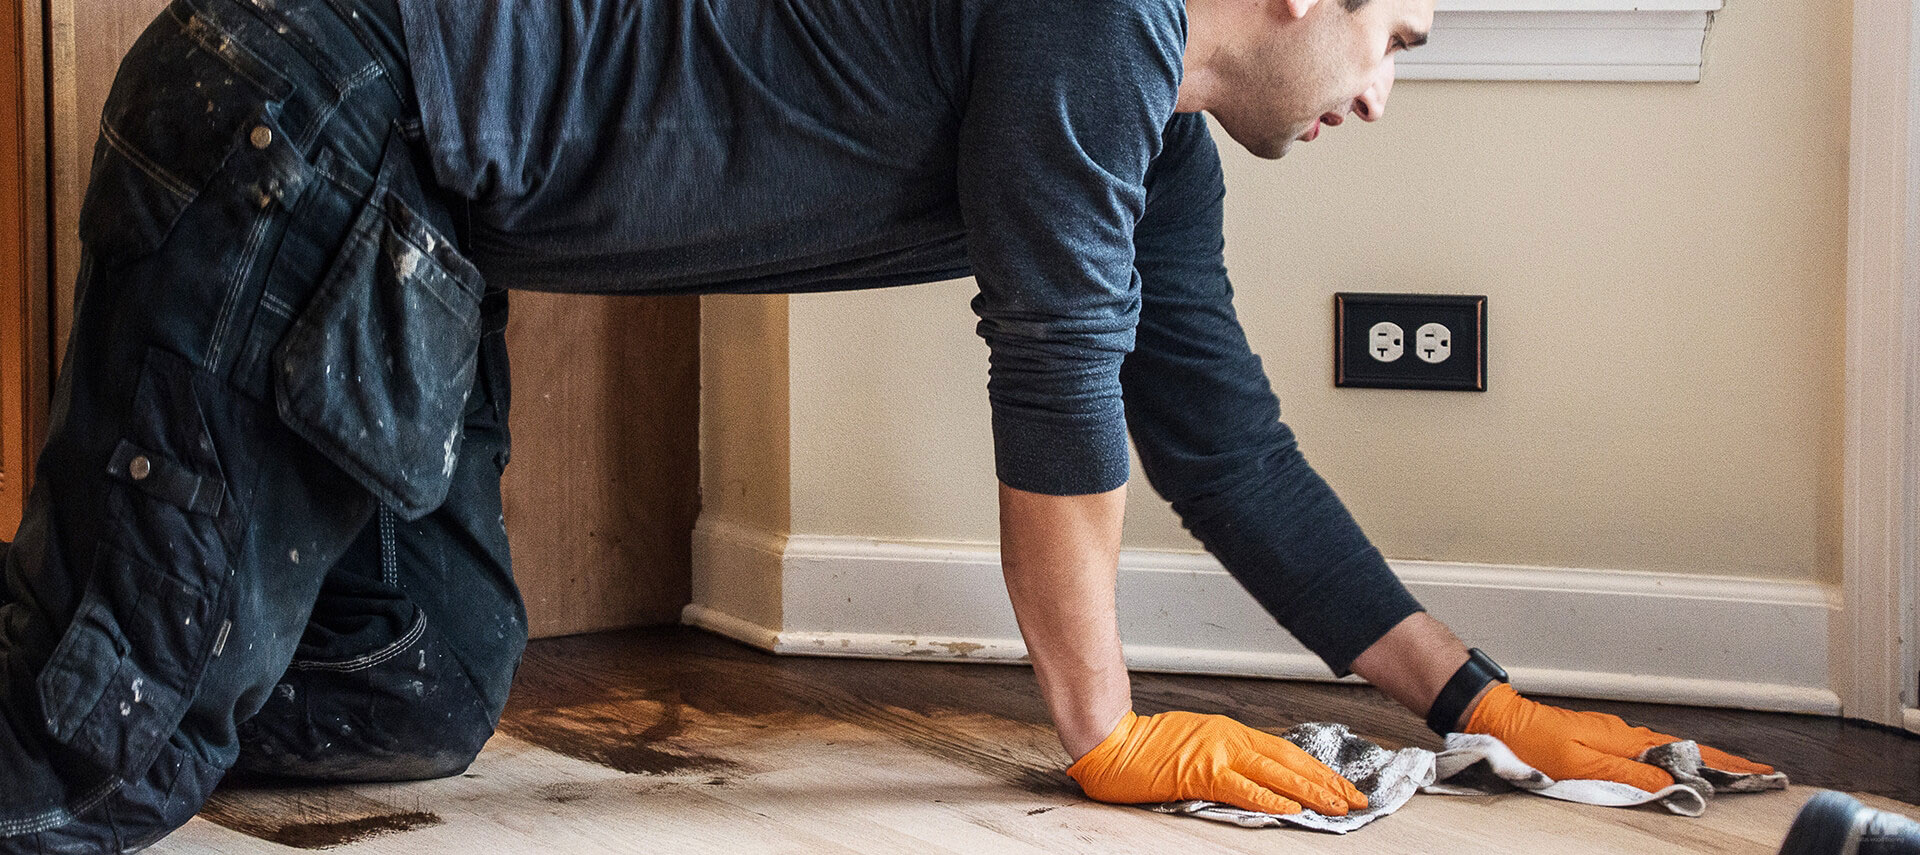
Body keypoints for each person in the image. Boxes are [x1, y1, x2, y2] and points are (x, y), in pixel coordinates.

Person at [0, 0, 1775, 849]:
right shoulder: (1106, 15)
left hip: (418, 212)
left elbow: (1215, 433)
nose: (1384, 92)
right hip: (316, 111)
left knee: (417, 689)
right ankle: (104, 657)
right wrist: (1107, 730)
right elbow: (1057, 376)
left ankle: (118, 626)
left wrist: (1482, 703)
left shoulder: (1145, 127)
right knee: (104, 750)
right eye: (1399, 37)